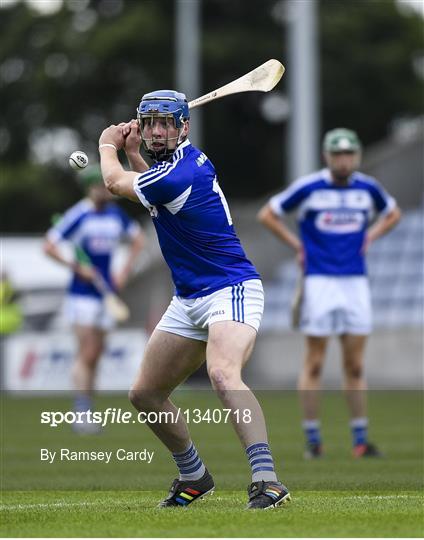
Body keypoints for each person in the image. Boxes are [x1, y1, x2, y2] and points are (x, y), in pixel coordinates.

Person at [97, 90, 291, 509]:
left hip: (230, 287)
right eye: (150, 123)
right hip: (188, 299)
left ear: (184, 126)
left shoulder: (181, 172)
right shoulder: (168, 170)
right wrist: (133, 153)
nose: (158, 130)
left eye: (167, 122)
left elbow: (114, 184)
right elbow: (153, 198)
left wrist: (107, 144)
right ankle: (194, 475)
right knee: (144, 394)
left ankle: (267, 480)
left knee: (223, 375)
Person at [257, 128, 401, 459]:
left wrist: (371, 236)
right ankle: (313, 440)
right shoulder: (310, 187)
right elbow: (268, 214)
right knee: (315, 361)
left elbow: (393, 213)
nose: (344, 159)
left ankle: (361, 440)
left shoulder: (367, 189)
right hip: (319, 281)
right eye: (338, 154)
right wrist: (298, 246)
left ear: (357, 156)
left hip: (355, 283)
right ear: (327, 156)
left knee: (354, 365)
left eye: (349, 153)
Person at [44, 165, 145, 432]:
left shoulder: (116, 215)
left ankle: (87, 409)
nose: (103, 190)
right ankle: (81, 411)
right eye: (98, 186)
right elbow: (49, 245)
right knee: (87, 352)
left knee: (96, 354)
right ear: (90, 189)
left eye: (105, 186)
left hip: (106, 293)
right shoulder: (78, 215)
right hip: (81, 295)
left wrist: (124, 271)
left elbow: (138, 240)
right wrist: (77, 268)